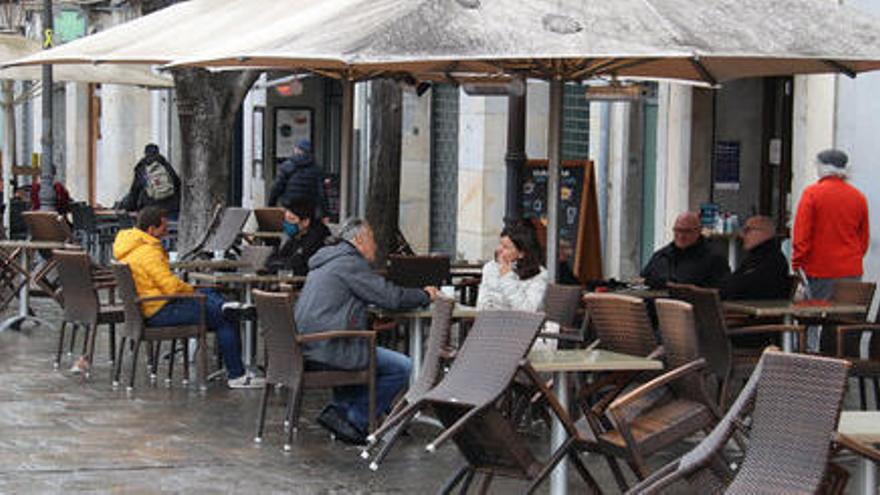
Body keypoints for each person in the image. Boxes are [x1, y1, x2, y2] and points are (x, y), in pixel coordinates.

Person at [294, 218, 439, 444]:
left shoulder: (326, 261)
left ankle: (340, 412)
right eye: (372, 239)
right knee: (401, 366)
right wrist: (425, 295)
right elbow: (390, 298)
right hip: (331, 347)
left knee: (367, 350)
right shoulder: (350, 263)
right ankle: (355, 418)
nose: (376, 246)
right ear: (359, 240)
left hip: (309, 346)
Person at [112, 206, 262, 389]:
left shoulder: (130, 247)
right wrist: (190, 289)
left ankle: (225, 306)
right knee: (225, 319)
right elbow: (171, 287)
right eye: (163, 228)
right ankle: (237, 375)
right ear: (151, 229)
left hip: (150, 307)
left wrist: (191, 291)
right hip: (159, 310)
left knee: (208, 293)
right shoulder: (148, 252)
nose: (166, 232)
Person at [792, 149, 870, 299]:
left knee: (816, 318)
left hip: (819, 270)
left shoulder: (812, 194)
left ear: (823, 167)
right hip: (851, 270)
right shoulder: (858, 197)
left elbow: (802, 236)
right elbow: (863, 239)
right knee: (844, 319)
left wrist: (797, 265)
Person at [641, 212, 730, 289]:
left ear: (699, 231)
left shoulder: (715, 258)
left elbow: (720, 292)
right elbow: (643, 280)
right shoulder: (662, 256)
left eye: (687, 231)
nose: (681, 236)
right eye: (678, 230)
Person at [476, 222, 549, 312]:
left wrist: (507, 278)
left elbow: (528, 311)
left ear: (521, 253)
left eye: (505, 247)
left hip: (521, 324)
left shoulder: (539, 275)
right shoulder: (491, 268)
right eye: (500, 244)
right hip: (491, 322)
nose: (499, 249)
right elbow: (481, 305)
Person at [721, 216, 790, 300]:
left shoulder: (771, 260)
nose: (742, 235)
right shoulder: (757, 256)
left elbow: (742, 285)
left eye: (747, 230)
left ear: (764, 232)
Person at [265, 198, 330, 275]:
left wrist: (280, 265)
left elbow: (299, 266)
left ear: (305, 222)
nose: (287, 224)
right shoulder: (296, 236)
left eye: (291, 219)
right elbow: (275, 258)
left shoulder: (317, 239)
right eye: (286, 220)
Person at [267, 139, 327, 219]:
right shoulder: (316, 169)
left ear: (297, 150)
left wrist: (271, 205)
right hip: (308, 207)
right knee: (307, 228)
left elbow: (277, 187)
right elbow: (321, 192)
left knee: (290, 227)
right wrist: (325, 213)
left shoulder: (287, 165)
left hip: (290, 205)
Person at [121, 144, 181, 217]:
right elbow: (178, 185)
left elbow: (134, 192)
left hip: (150, 212)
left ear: (145, 153)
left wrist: (125, 207)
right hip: (171, 211)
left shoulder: (142, 168)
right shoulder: (166, 166)